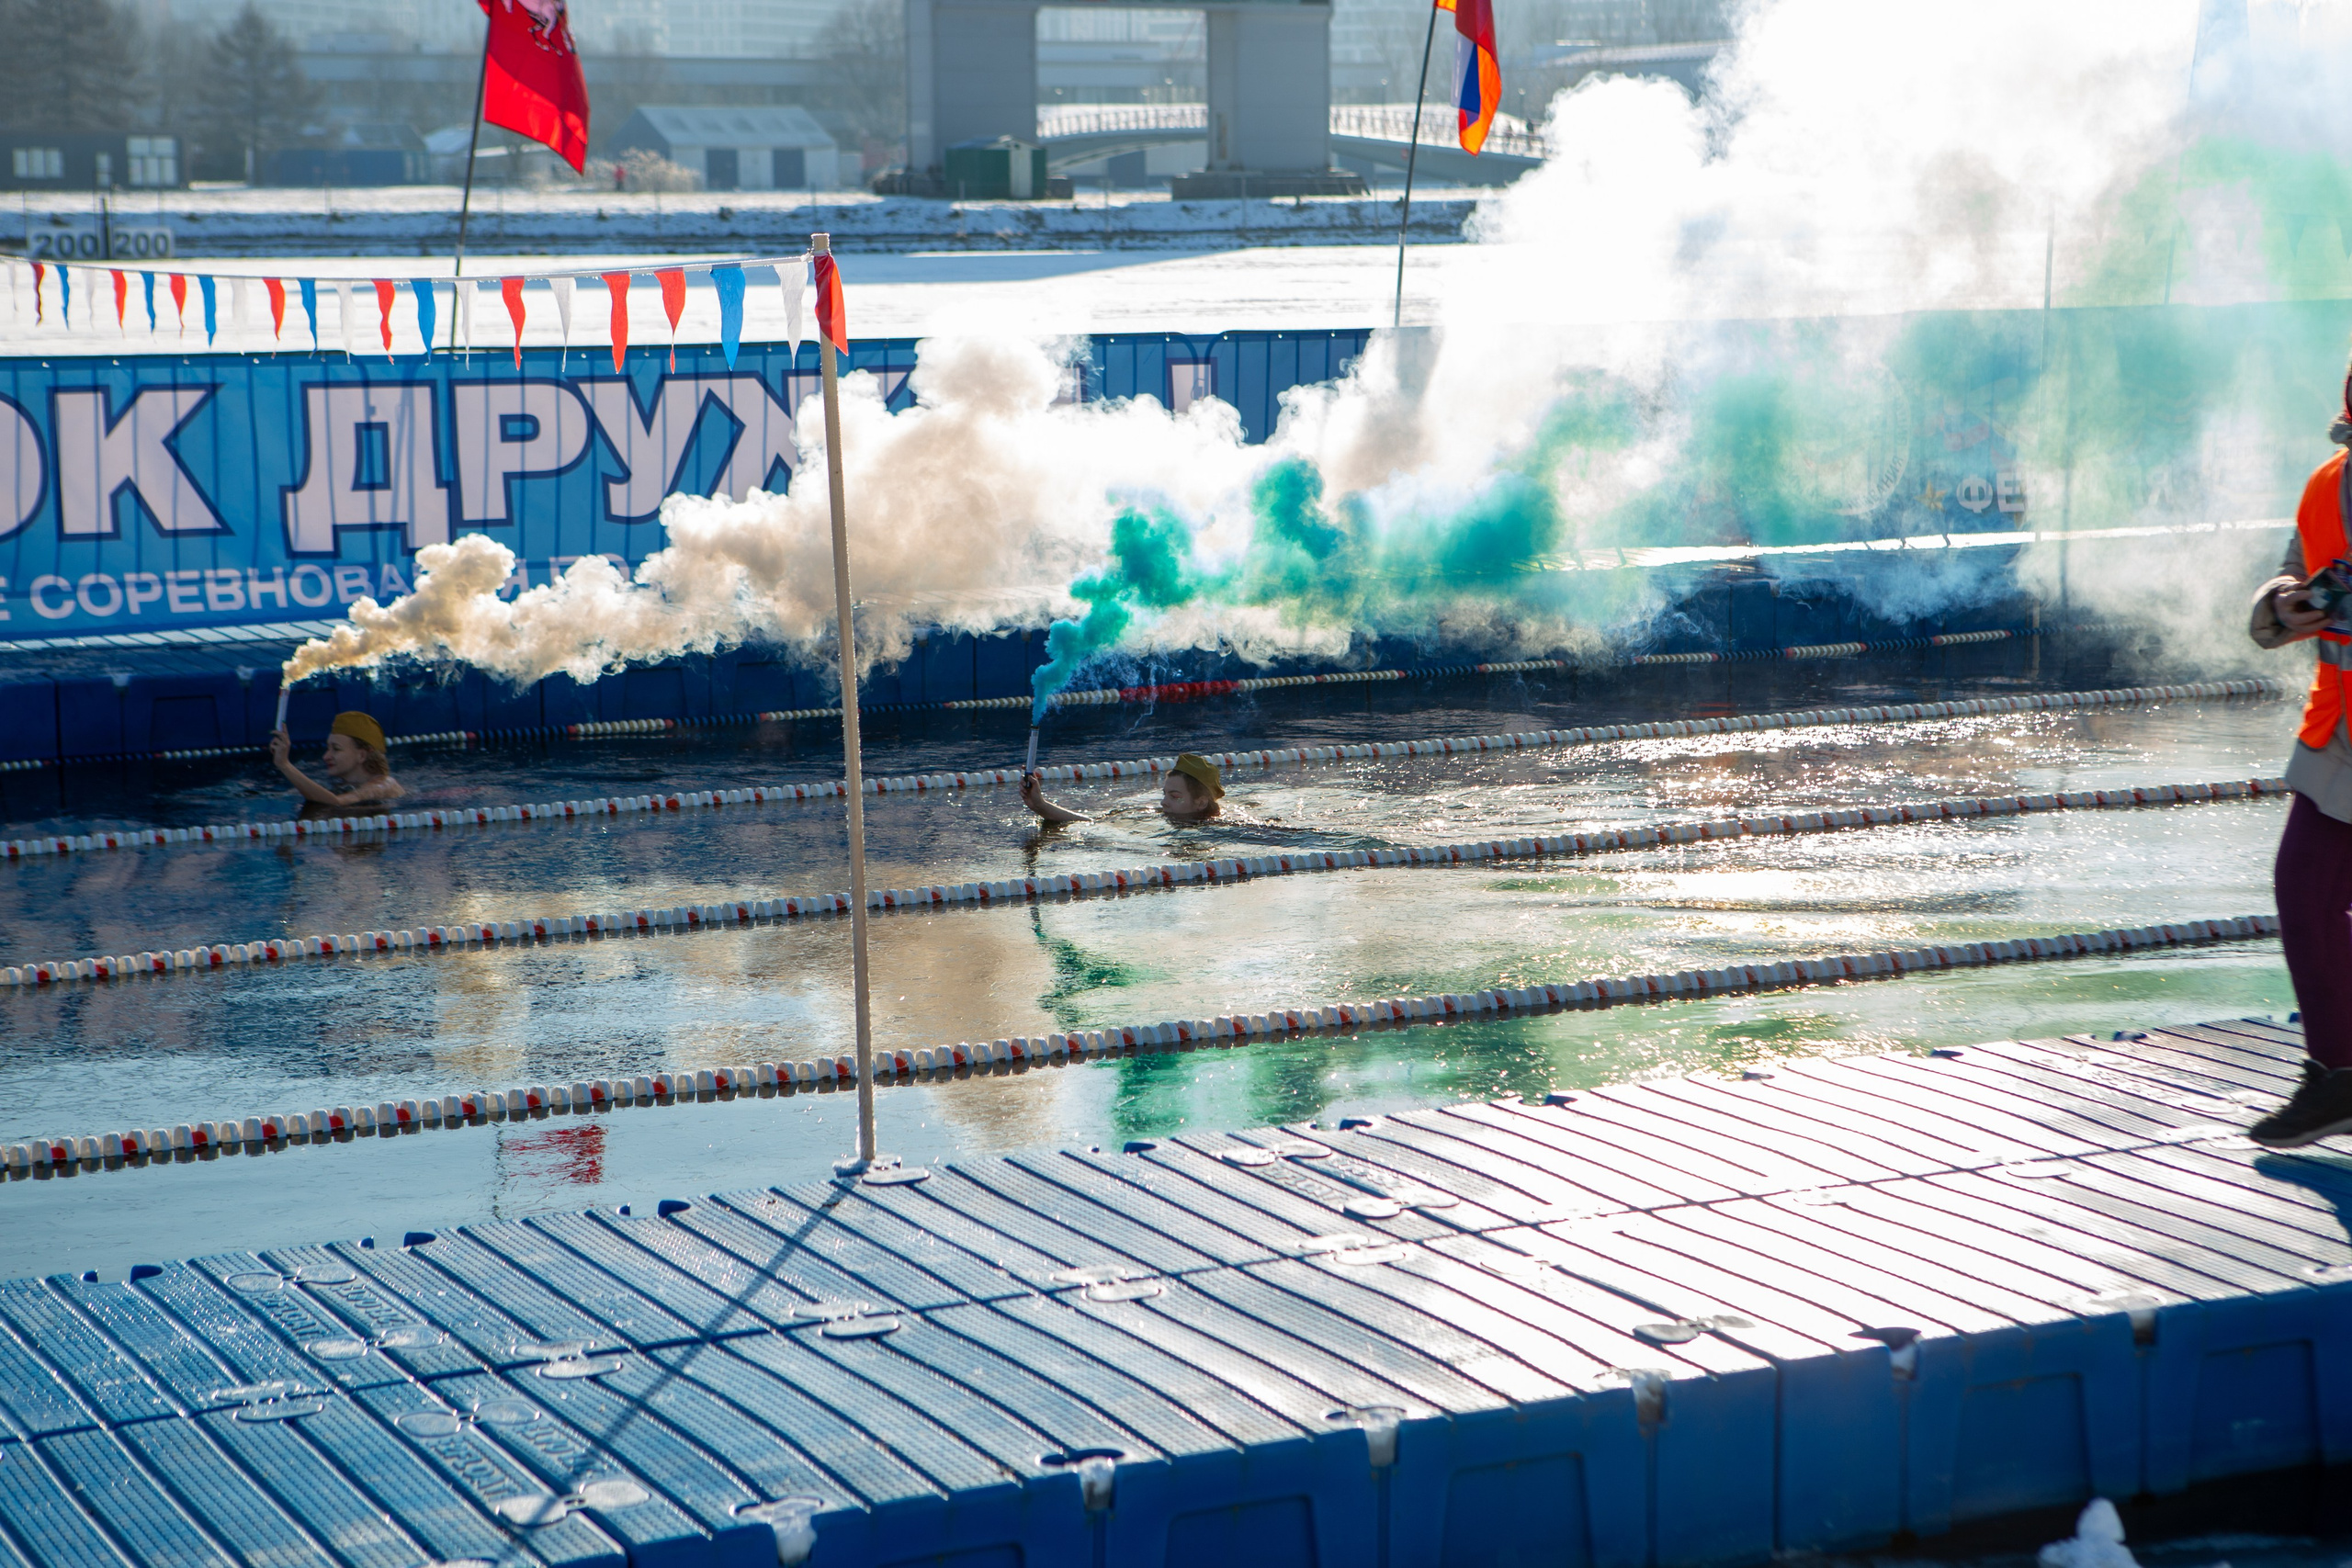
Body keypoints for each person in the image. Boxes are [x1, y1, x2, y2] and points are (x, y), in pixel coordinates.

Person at [2245, 377, 2352, 1147]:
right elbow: (2289, 579)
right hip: (2338, 732)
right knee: (2305, 894)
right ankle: (2339, 1072)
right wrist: (2286, 602)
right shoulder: (2326, 483)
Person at [1020, 750, 1224, 825]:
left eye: (1175, 796)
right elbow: (1092, 822)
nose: (1163, 801)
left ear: (1201, 802)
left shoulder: (1219, 829)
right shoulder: (1153, 815)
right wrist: (1039, 804)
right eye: (1165, 794)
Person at [270, 712, 407, 810]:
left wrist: (285, 764)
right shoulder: (345, 784)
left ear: (362, 755)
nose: (326, 756)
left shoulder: (383, 785)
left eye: (336, 749)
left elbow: (336, 802)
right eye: (328, 748)